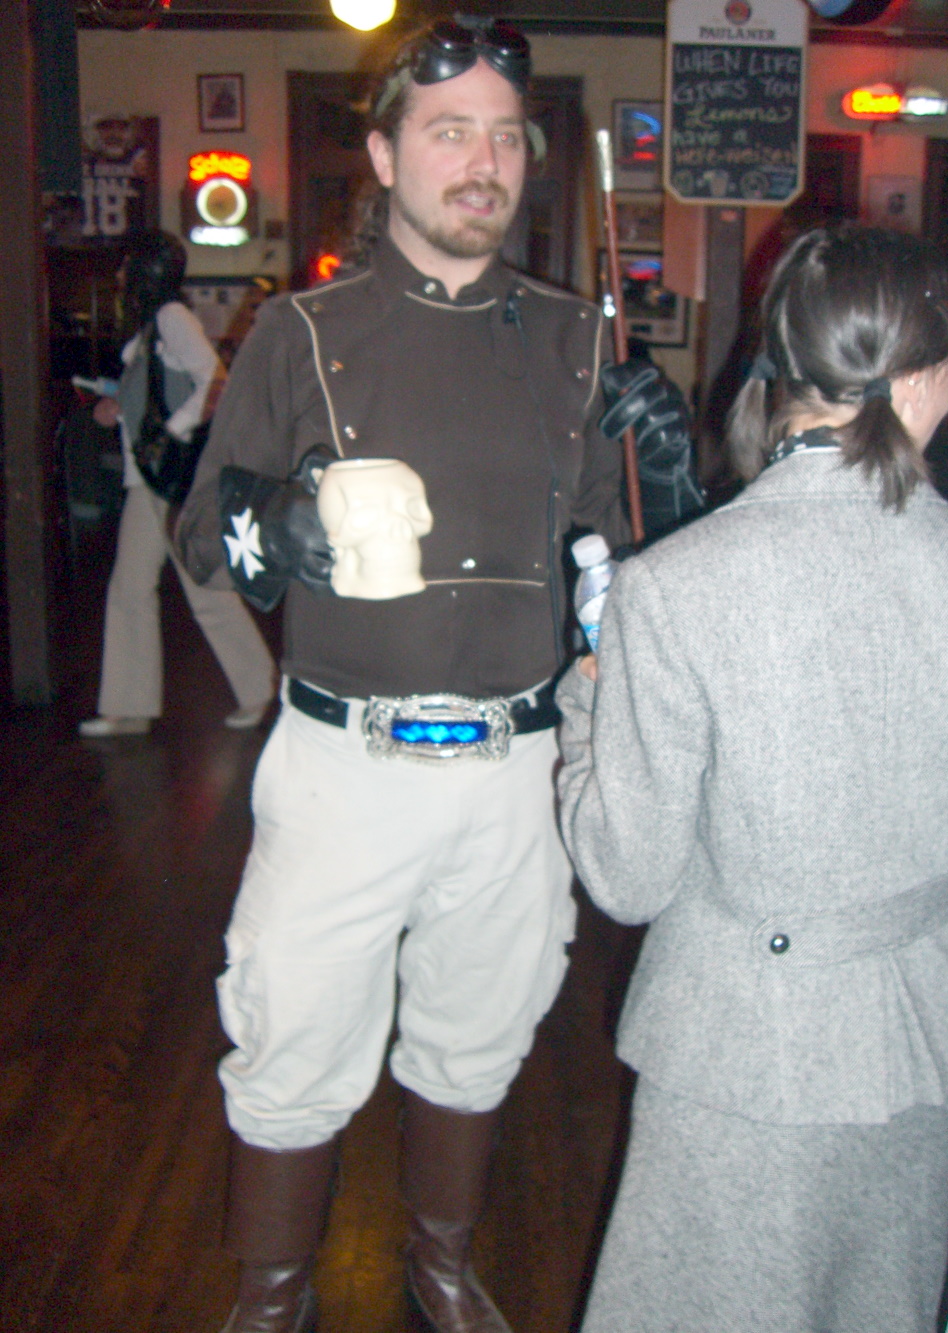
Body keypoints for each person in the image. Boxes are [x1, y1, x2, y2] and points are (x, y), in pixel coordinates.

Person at [172, 18, 678, 1333]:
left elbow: (617, 569)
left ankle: (441, 1269)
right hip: (344, 769)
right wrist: (268, 527)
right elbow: (199, 532)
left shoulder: (580, 342)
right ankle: (273, 1298)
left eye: (506, 135)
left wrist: (668, 493)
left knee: (481, 1029)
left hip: (518, 771)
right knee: (289, 1037)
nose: (484, 160)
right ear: (389, 155)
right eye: (450, 131)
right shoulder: (301, 331)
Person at [556, 224, 948, 1333]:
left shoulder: (672, 588)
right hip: (919, 1040)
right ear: (923, 374)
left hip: (733, 1060)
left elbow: (625, 874)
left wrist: (587, 698)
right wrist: (906, 954)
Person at [79, 230, 276, 737]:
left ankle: (256, 690)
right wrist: (120, 408)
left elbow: (215, 380)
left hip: (166, 479)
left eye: (127, 267)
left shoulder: (170, 319)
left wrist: (169, 431)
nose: (120, 276)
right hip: (149, 478)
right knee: (131, 589)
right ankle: (128, 706)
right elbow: (168, 392)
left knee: (200, 584)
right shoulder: (156, 325)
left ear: (145, 272)